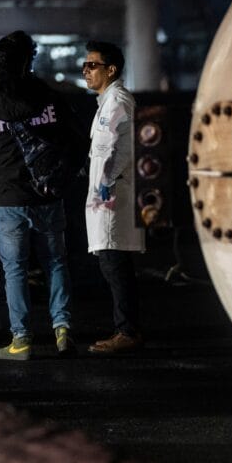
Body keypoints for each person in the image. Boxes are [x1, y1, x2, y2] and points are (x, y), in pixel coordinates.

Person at [0, 32, 81, 360]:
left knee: (15, 270)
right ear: (28, 64)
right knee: (55, 262)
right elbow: (77, 141)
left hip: (9, 199)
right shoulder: (51, 97)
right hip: (48, 194)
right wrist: (65, 178)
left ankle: (21, 340)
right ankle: (63, 329)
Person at [82, 40, 145, 354]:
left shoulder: (117, 100)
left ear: (112, 69)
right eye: (85, 65)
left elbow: (119, 146)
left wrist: (105, 180)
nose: (86, 71)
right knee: (113, 263)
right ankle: (126, 329)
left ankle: (127, 331)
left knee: (115, 265)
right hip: (106, 196)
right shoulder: (107, 101)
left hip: (112, 196)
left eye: (93, 65)